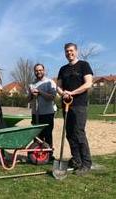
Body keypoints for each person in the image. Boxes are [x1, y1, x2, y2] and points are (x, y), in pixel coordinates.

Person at [57, 43, 93, 175]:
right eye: (67, 51)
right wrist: (63, 93)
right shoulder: (63, 69)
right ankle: (76, 160)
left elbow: (88, 83)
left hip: (79, 105)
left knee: (79, 133)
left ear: (76, 51)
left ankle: (86, 163)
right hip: (66, 105)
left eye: (71, 51)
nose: (69, 53)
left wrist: (72, 93)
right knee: (70, 134)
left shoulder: (84, 65)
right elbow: (58, 87)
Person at [28, 63, 57, 161]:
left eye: (40, 70)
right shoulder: (31, 84)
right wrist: (32, 94)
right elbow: (28, 99)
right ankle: (36, 156)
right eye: (36, 70)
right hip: (35, 114)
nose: (38, 72)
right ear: (34, 72)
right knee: (36, 135)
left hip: (47, 113)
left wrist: (40, 92)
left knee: (48, 135)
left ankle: (49, 155)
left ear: (44, 71)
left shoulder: (50, 82)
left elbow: (52, 97)